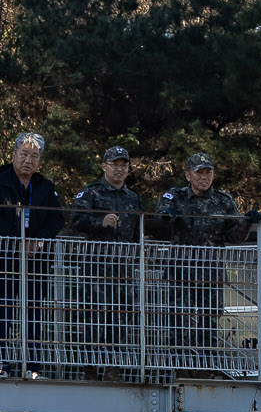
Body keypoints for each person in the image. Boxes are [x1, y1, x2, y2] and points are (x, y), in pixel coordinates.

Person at [0, 132, 64, 380]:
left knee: (34, 313)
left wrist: (36, 241)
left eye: (34, 156)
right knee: (0, 312)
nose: (28, 160)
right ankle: (0, 365)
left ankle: (33, 367)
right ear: (14, 154)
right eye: (24, 154)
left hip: (36, 262)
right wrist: (18, 242)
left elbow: (57, 218)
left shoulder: (45, 186)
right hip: (1, 260)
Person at [154, 152, 250, 362]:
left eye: (208, 173)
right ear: (188, 175)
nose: (204, 177)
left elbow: (234, 236)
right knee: (179, 321)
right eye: (199, 173)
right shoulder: (175, 197)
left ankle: (207, 364)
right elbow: (158, 222)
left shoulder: (223, 201)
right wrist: (166, 217)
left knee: (210, 321)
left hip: (211, 273)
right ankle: (180, 365)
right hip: (181, 272)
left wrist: (247, 223)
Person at [66, 146, 145, 377]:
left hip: (123, 269)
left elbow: (137, 232)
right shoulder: (91, 193)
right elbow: (76, 220)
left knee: (120, 318)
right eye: (115, 165)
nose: (120, 169)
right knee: (92, 317)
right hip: (96, 268)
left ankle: (114, 368)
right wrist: (99, 222)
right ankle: (90, 367)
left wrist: (137, 258)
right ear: (104, 167)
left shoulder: (133, 198)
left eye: (124, 165)